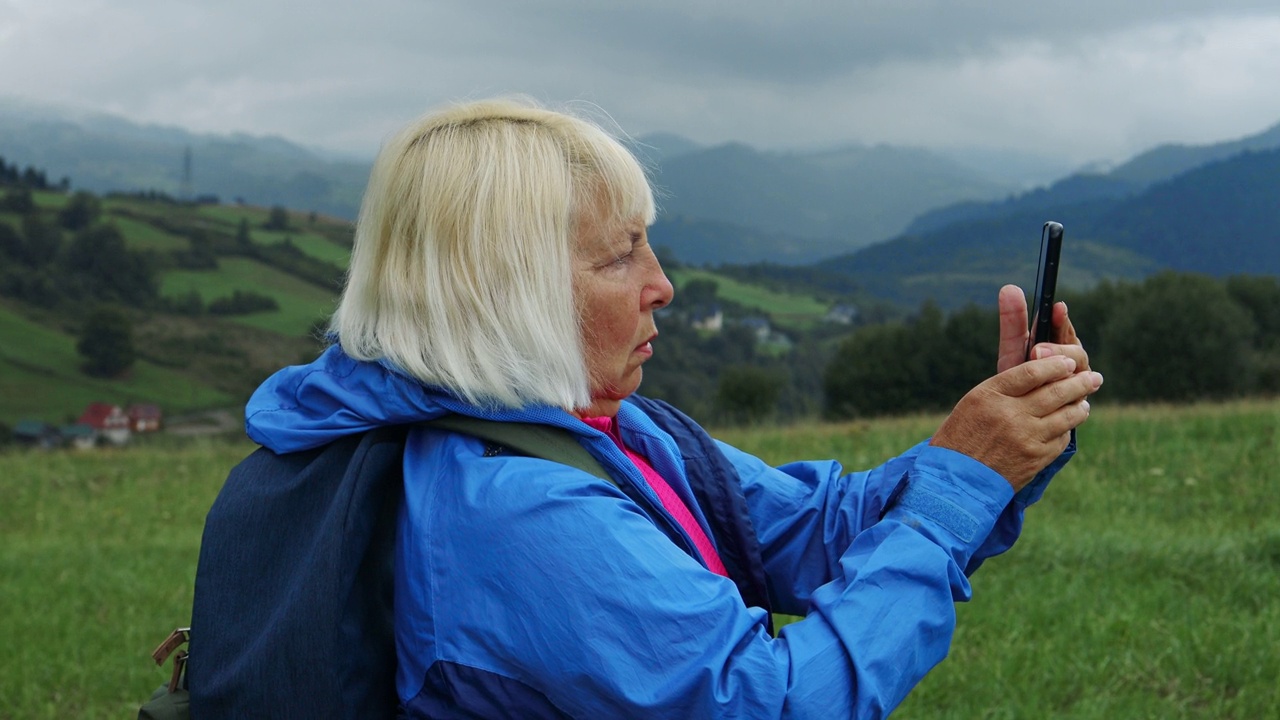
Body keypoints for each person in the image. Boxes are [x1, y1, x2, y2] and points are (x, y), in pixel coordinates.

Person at [242, 98, 1101, 718]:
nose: (664, 285)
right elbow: (773, 703)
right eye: (620, 257)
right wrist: (955, 491)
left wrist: (994, 451)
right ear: (510, 293)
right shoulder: (517, 508)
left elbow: (808, 528)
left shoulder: (595, 427)